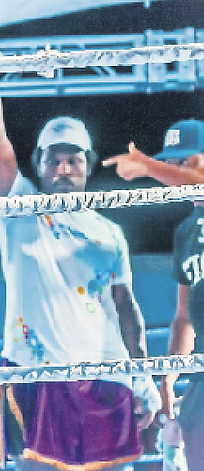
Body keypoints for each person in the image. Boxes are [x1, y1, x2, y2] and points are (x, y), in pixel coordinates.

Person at [0, 2, 160, 469]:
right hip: (38, 375)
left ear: (88, 167)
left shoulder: (109, 231)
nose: (63, 167)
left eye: (73, 158)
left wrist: (144, 374)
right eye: (53, 158)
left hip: (105, 375)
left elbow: (124, 305)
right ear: (38, 166)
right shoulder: (20, 210)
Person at [104, 118, 204, 469]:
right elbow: (184, 315)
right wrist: (168, 379)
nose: (174, 172)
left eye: (185, 162)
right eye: (170, 163)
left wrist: (147, 165)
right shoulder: (186, 232)